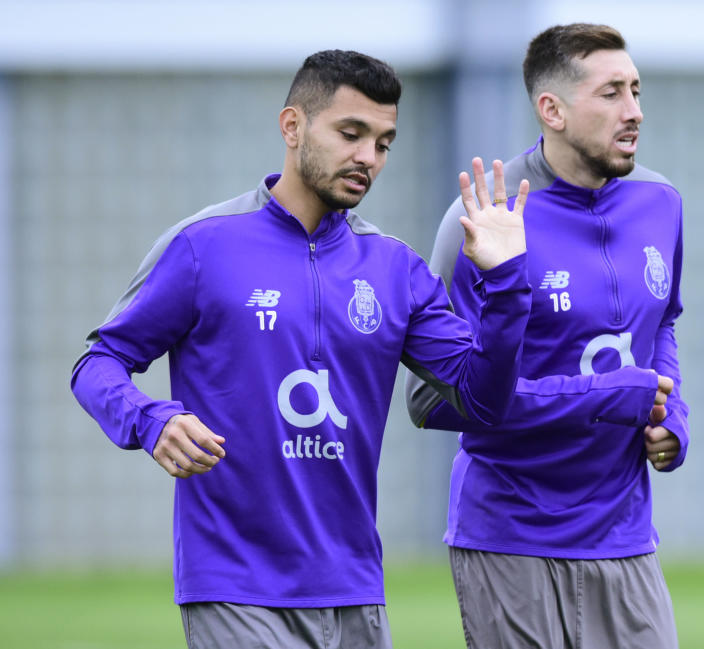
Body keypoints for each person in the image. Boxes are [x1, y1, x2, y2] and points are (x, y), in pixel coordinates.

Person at [71, 49, 534, 649]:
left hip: (356, 590)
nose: (368, 157)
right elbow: (97, 362)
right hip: (235, 586)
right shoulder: (203, 247)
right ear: (292, 127)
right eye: (351, 133)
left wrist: (505, 283)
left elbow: (485, 399)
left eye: (384, 143)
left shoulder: (395, 269)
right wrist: (151, 418)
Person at [405, 24, 689, 649]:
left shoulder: (661, 202)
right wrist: (605, 397)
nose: (635, 111)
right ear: (552, 109)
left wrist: (674, 416)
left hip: (626, 539)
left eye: (636, 90)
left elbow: (661, 322)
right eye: (611, 92)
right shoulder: (484, 220)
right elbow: (430, 401)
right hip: (510, 539)